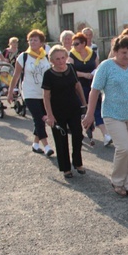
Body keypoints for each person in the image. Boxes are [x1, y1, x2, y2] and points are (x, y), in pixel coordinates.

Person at [83, 36, 128, 197]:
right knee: (123, 148)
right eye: (123, 52)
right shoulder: (106, 66)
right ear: (115, 51)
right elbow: (95, 90)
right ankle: (117, 181)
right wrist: (90, 113)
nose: (126, 56)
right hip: (113, 114)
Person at [42, 46, 88, 179]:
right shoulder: (48, 74)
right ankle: (66, 168)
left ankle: (78, 163)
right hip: (57, 111)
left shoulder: (71, 69)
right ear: (52, 61)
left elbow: (78, 86)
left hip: (73, 108)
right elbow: (46, 96)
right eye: (57, 59)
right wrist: (50, 115)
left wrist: (84, 104)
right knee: (60, 139)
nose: (61, 61)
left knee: (78, 135)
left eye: (63, 58)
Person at [7, 29, 54, 156]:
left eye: (35, 40)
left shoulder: (46, 56)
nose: (32, 42)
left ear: (41, 43)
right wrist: (11, 91)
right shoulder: (24, 56)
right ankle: (47, 146)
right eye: (30, 40)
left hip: (44, 93)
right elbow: (16, 76)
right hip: (29, 92)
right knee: (39, 118)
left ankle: (35, 143)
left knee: (42, 117)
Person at [68, 31, 112, 147]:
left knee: (96, 108)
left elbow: (98, 68)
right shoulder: (71, 56)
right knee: (81, 110)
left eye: (76, 44)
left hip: (93, 85)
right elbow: (70, 71)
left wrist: (94, 74)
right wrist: (84, 74)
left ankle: (106, 135)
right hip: (79, 86)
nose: (74, 46)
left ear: (83, 43)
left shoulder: (92, 54)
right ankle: (79, 131)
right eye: (73, 44)